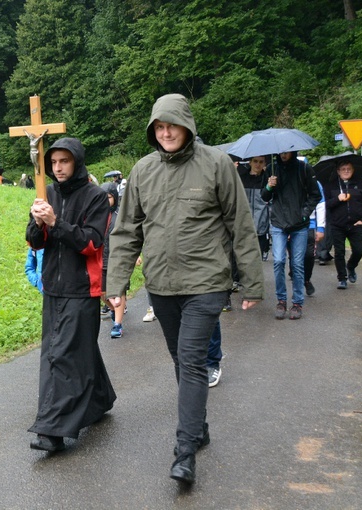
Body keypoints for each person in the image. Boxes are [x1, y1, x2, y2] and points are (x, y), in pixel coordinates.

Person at [107, 94, 263, 484]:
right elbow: (126, 231)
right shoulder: (143, 170)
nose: (165, 132)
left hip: (207, 282)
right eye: (159, 127)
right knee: (181, 359)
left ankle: (185, 450)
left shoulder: (215, 164)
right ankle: (200, 428)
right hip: (160, 284)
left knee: (192, 360)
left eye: (171, 125)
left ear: (187, 125)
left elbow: (240, 223)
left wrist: (252, 281)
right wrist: (118, 284)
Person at [26, 137, 117, 453]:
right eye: (53, 162)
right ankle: (100, 399)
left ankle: (53, 431)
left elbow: (91, 242)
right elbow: (35, 243)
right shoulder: (47, 193)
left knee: (64, 356)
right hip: (53, 287)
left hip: (82, 289)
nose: (58, 167)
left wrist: (56, 222)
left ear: (76, 162)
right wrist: (38, 224)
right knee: (74, 350)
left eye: (64, 161)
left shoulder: (96, 197)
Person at [261, 152, 321, 320]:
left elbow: (316, 194)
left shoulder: (304, 169)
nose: (283, 154)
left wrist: (305, 213)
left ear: (293, 151)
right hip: (279, 222)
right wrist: (269, 186)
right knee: (279, 261)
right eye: (281, 151)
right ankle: (281, 300)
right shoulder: (272, 169)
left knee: (297, 264)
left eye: (287, 151)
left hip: (299, 224)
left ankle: (297, 303)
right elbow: (264, 196)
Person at [324, 160, 362, 289]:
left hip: (356, 225)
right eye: (343, 169)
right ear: (338, 171)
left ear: (353, 170)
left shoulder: (361, 184)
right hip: (337, 225)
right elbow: (325, 205)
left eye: (349, 169)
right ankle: (342, 278)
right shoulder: (331, 186)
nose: (346, 171)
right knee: (339, 253)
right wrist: (337, 199)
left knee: (358, 251)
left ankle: (350, 266)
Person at [101, 182, 125, 338]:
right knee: (102, 293)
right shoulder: (96, 216)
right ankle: (112, 309)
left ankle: (118, 324)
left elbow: (127, 238)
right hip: (100, 261)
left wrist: (134, 256)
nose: (105, 201)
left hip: (117, 260)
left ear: (114, 197)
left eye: (108, 197)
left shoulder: (120, 216)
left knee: (118, 292)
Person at [238, 156, 271, 260]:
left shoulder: (268, 179)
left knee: (257, 260)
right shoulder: (241, 178)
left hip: (260, 226)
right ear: (250, 163)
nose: (258, 164)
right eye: (255, 161)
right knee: (241, 259)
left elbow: (270, 203)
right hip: (244, 225)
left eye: (261, 162)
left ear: (264, 164)